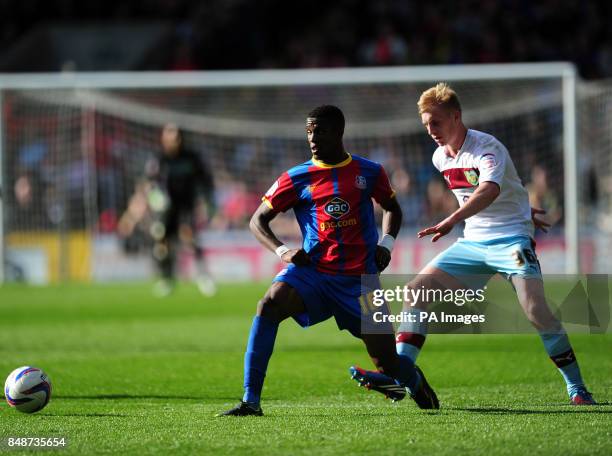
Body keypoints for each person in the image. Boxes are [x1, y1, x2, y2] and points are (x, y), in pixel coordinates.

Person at [355, 83, 595, 405]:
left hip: (511, 239)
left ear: (456, 116)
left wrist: (454, 219)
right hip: (474, 243)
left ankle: (577, 388)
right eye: (426, 124)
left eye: (436, 122)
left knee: (536, 310)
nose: (431, 131)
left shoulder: (486, 146)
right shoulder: (440, 157)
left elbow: (489, 189)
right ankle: (400, 375)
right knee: (416, 290)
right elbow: (499, 186)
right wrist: (522, 206)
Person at [218, 105, 438, 417]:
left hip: (361, 282)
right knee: (269, 304)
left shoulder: (369, 171)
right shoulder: (295, 178)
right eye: (309, 131)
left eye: (319, 131)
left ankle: (414, 381)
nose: (312, 138)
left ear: (338, 132)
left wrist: (386, 244)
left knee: (387, 363)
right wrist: (283, 251)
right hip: (315, 274)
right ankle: (250, 401)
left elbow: (392, 208)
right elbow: (257, 221)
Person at [146, 123, 216, 297]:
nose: (174, 140)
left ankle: (203, 277)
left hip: (186, 205)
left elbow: (206, 180)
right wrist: (156, 198)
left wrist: (208, 202)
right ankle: (167, 278)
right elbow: (150, 183)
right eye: (170, 135)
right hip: (166, 208)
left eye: (176, 136)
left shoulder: (191, 157)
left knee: (190, 237)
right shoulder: (159, 158)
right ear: (164, 138)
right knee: (162, 241)